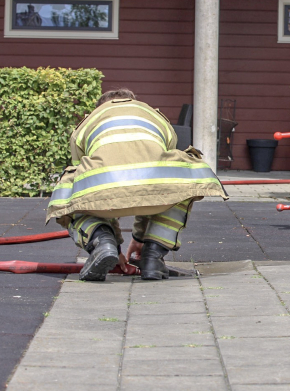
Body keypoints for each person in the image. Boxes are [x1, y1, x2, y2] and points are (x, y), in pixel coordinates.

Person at [46, 89, 228, 281]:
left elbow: (89, 192)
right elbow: (156, 187)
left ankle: (100, 242)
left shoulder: (87, 123)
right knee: (178, 187)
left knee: (73, 195)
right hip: (158, 188)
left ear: (100, 107)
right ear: (132, 102)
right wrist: (140, 239)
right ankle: (153, 257)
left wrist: (113, 248)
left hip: (100, 190)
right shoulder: (153, 116)